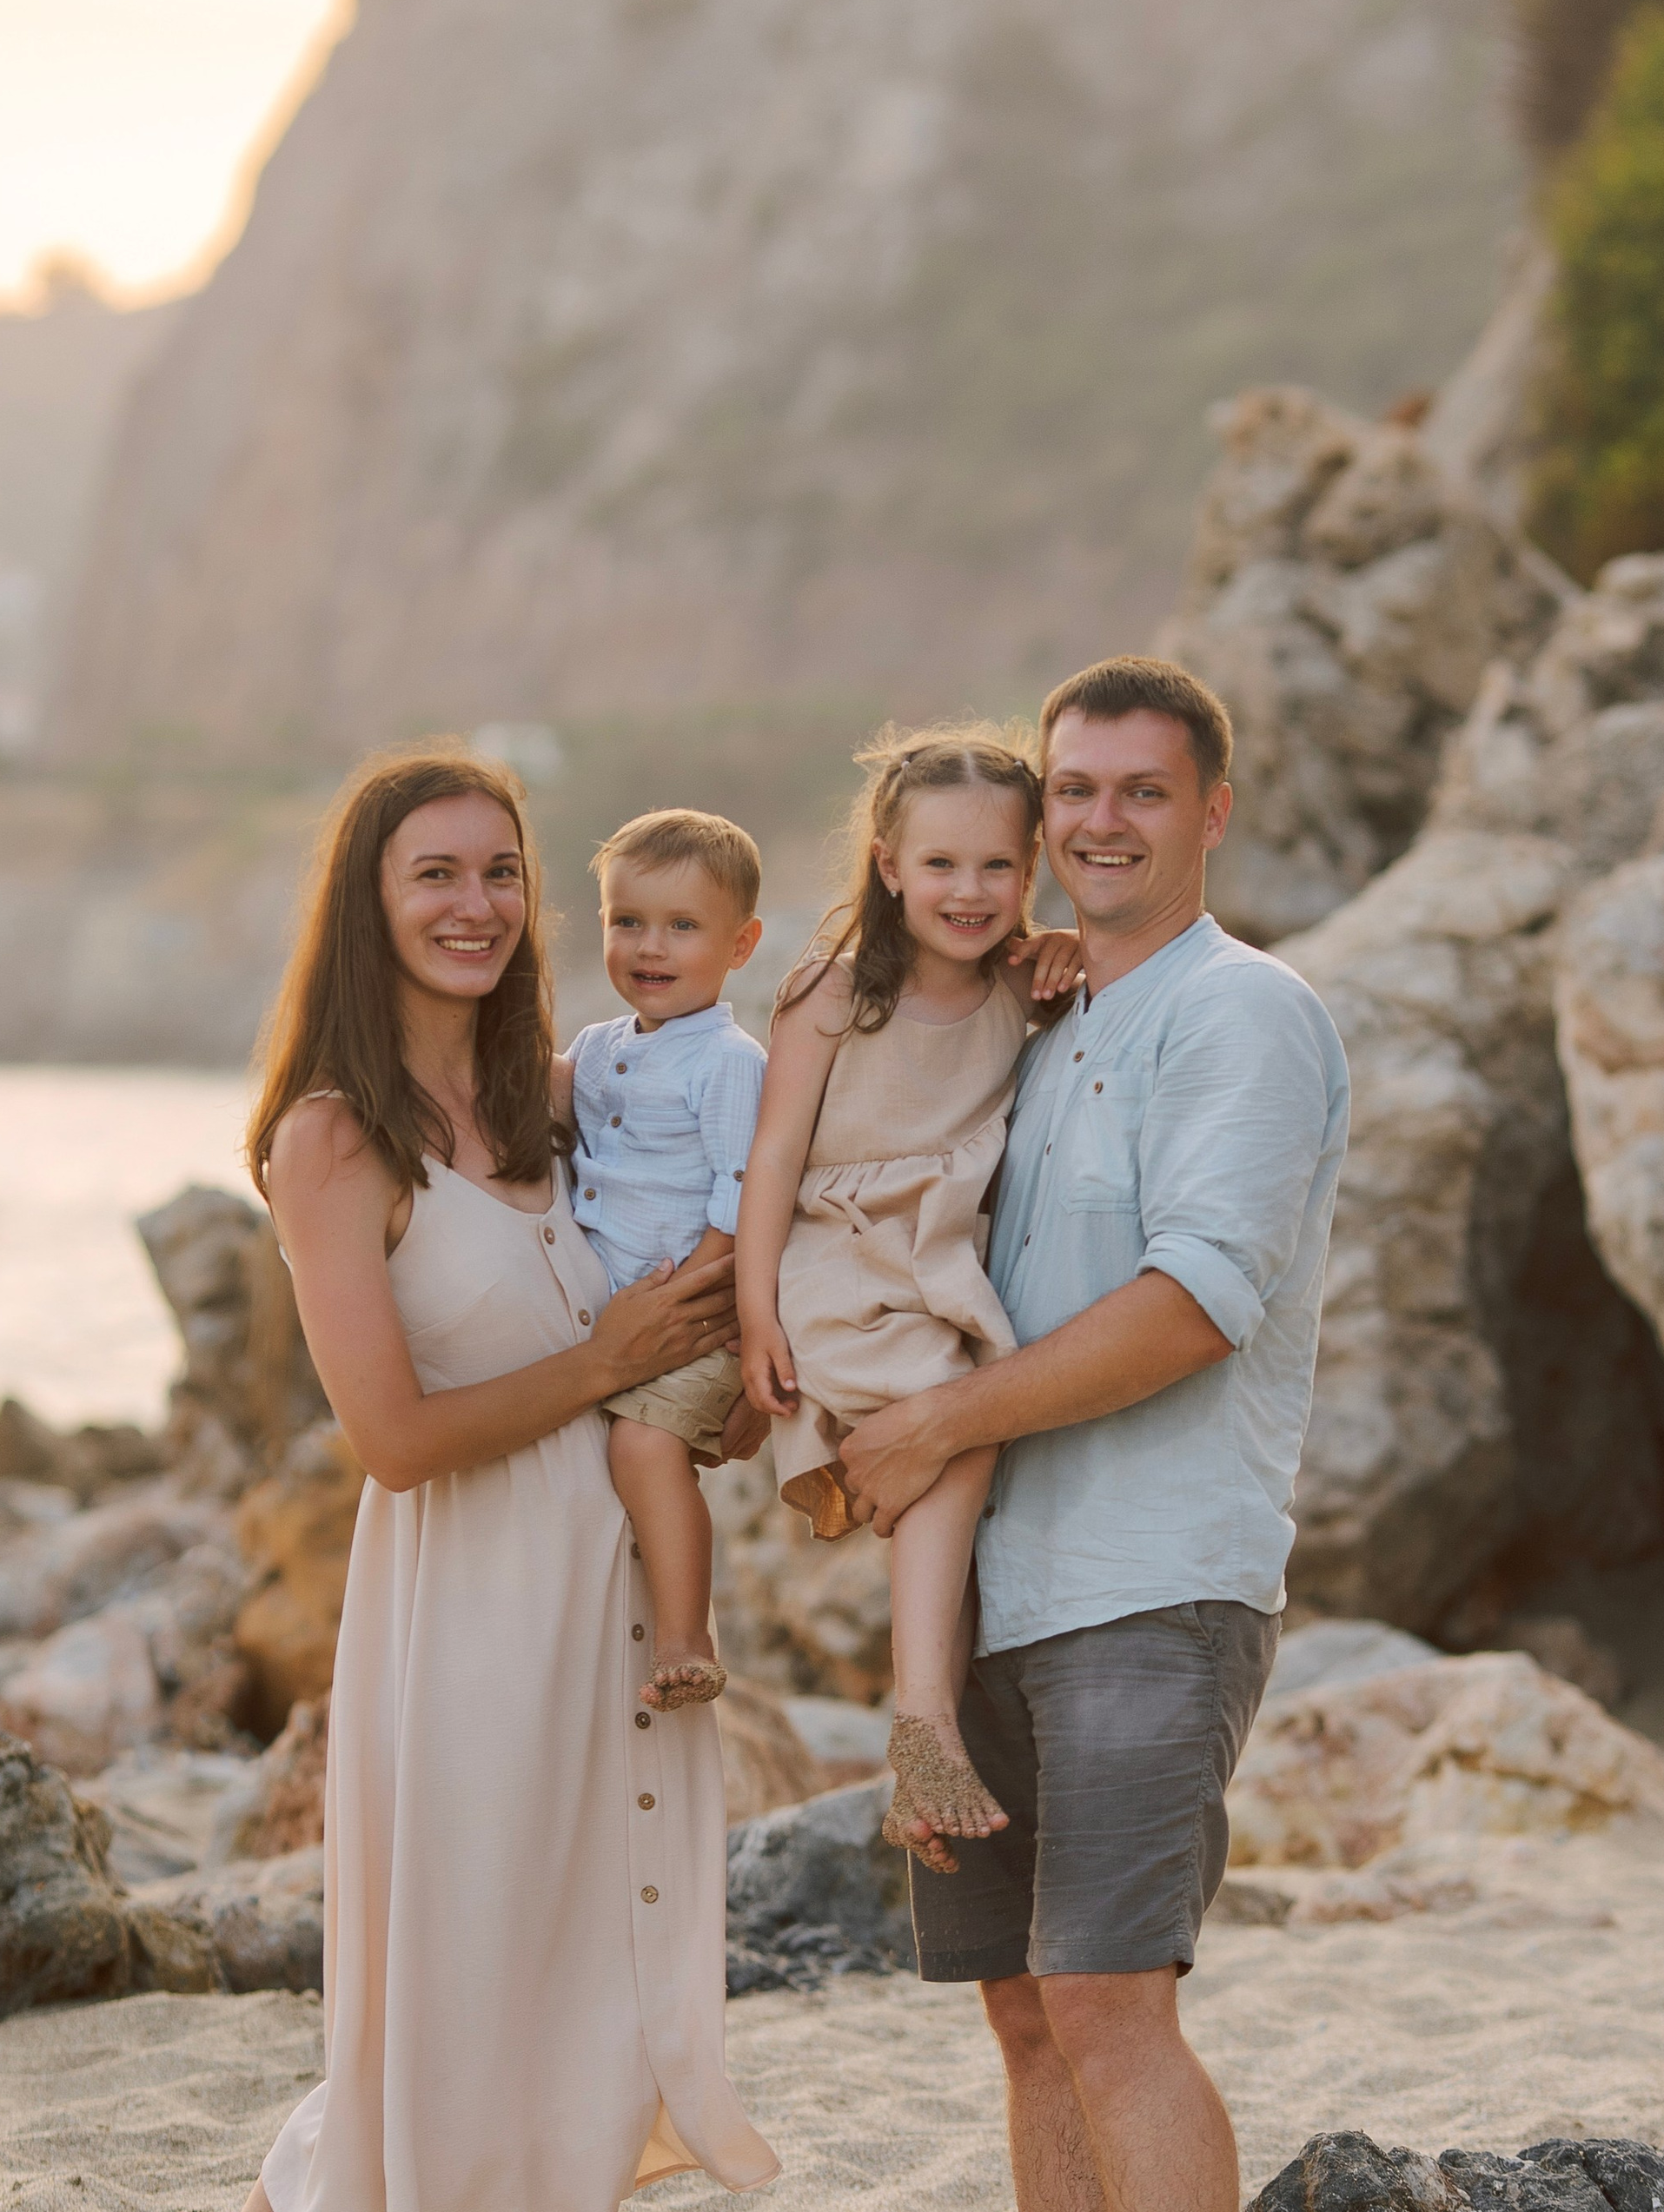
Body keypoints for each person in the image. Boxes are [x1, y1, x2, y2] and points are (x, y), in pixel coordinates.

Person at [834, 659, 1351, 2212]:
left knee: (1110, 2003)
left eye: (1144, 791)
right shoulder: (1042, 1016)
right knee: (1025, 2014)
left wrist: (934, 1424)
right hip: (995, 1594)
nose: (1103, 821)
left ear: (1214, 811)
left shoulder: (1244, 1014)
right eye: (1075, 790)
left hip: (1153, 1586)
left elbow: (1195, 1306)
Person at [240, 752, 778, 2212]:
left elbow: (763, 1132)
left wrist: (720, 1387)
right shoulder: (331, 1138)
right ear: (368, 901)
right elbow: (394, 1442)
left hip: (616, 1600)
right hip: (466, 1615)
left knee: (591, 1974)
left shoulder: (560, 1098)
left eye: (502, 873)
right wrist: (610, 1361)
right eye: (435, 873)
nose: (475, 905)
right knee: (469, 1969)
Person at [735, 725, 1079, 1868]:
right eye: (940, 864)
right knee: (959, 1416)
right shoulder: (834, 993)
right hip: (843, 1258)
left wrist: (1065, 949)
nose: (968, 891)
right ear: (888, 866)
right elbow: (773, 1159)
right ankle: (920, 1718)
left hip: (937, 1266)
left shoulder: (1020, 988)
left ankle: (932, 1741)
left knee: (971, 1426)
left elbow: (1100, 974)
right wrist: (755, 1313)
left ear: (1030, 868)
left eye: (997, 866)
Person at [560, 808, 768, 1712]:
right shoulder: (598, 1046)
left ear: (740, 944)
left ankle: (686, 1634)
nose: (651, 946)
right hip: (616, 1313)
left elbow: (742, 1187)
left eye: (683, 926)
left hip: (690, 1312)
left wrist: (696, 1296)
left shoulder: (725, 1060)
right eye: (629, 921)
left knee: (646, 1448)